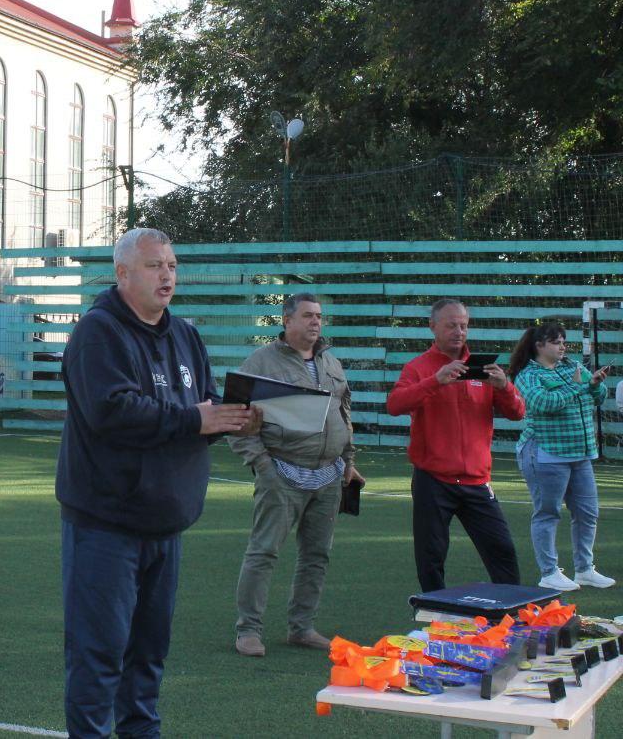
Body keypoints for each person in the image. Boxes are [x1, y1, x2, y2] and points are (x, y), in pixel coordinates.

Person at [56, 227, 259, 739]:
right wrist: (196, 419)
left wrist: (232, 419)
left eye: (171, 265)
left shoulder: (186, 334)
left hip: (166, 526)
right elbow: (113, 412)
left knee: (148, 656)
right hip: (106, 526)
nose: (167, 275)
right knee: (99, 654)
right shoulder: (98, 333)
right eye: (154, 266)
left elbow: (202, 409)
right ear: (123, 274)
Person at [230, 293, 361, 657]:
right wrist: (262, 465)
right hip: (281, 474)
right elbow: (236, 417)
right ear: (287, 321)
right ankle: (248, 631)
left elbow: (344, 410)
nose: (315, 322)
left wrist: (348, 459)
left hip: (329, 475)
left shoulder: (331, 361)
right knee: (263, 553)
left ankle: (301, 628)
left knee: (317, 555)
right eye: (307, 316)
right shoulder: (260, 362)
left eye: (319, 316)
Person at [386, 298, 525, 593]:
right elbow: (395, 405)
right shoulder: (419, 367)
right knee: (431, 558)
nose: (458, 331)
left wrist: (504, 387)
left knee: (502, 551)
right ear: (432, 327)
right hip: (433, 480)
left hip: (476, 481)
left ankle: (513, 615)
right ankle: (434, 617)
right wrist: (435, 381)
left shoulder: (485, 369)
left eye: (463, 325)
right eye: (451, 325)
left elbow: (517, 413)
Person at [508, 321, 614, 590]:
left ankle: (585, 569)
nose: (562, 346)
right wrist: (578, 387)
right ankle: (549, 572)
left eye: (563, 341)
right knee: (547, 513)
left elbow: (598, 397)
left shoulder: (571, 365)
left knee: (588, 513)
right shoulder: (527, 374)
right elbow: (544, 403)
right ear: (539, 345)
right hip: (545, 453)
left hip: (581, 453)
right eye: (556, 342)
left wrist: (595, 385)